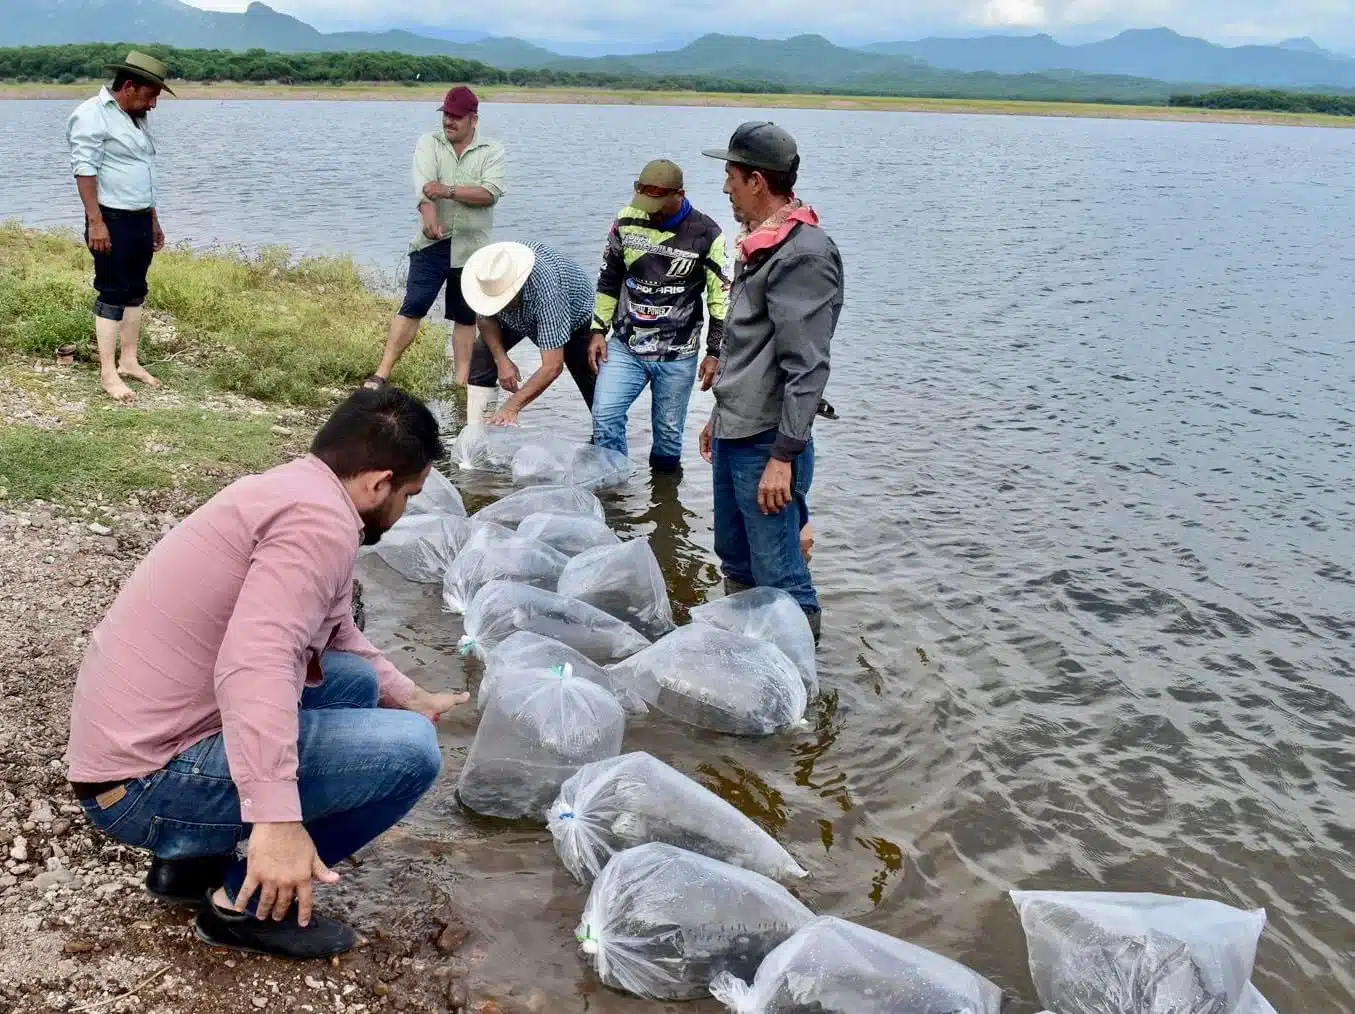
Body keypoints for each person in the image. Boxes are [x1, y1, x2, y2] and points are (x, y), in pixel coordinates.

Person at [64, 386, 470, 960]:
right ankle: (244, 904)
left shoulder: (296, 491)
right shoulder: (320, 527)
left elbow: (333, 632)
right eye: (408, 494)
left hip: (124, 755)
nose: (403, 510)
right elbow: (256, 662)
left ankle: (186, 865)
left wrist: (408, 693)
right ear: (379, 482)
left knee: (352, 681)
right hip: (140, 783)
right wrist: (276, 820)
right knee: (412, 754)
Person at [699, 122, 844, 643]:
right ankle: (744, 661)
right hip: (738, 433)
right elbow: (747, 346)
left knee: (782, 575)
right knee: (735, 558)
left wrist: (783, 457)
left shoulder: (803, 254)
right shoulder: (761, 245)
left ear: (757, 181)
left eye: (731, 176)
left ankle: (800, 692)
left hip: (766, 444)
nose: (725, 188)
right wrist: (719, 416)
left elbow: (806, 367)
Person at [588, 159, 728, 472]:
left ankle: (664, 496)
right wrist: (598, 331)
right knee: (605, 415)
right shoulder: (626, 221)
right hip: (626, 345)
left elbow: (720, 300)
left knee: (667, 435)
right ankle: (615, 490)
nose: (651, 210)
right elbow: (608, 279)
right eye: (645, 201)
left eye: (659, 203)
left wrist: (715, 352)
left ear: (680, 194)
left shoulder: (707, 234)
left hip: (677, 353)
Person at [364, 86, 505, 390]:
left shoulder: (491, 150)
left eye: (456, 117)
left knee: (465, 317)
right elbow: (425, 188)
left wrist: (450, 191)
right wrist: (429, 220)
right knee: (413, 305)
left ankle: (460, 382)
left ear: (473, 120)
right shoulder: (428, 143)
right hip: (432, 244)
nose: (449, 121)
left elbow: (489, 193)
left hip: (472, 248)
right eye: (446, 115)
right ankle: (382, 374)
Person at [65, 51, 173, 403]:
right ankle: (108, 373)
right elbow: (85, 170)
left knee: (136, 289)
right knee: (112, 291)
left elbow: (143, 172)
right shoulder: (91, 115)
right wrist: (96, 223)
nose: (153, 104)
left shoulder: (136, 117)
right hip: (110, 220)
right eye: (150, 95)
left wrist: (154, 219)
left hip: (140, 216)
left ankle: (129, 361)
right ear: (129, 86)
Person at [460, 240, 598, 425]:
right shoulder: (489, 276)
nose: (497, 307)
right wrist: (501, 359)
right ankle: (476, 436)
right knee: (482, 356)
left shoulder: (547, 289)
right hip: (520, 314)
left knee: (596, 393)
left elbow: (552, 366)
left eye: (502, 302)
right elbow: (485, 317)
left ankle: (604, 443)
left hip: (573, 319)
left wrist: (511, 407)